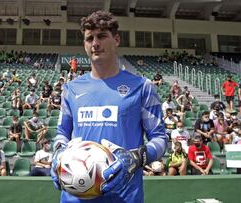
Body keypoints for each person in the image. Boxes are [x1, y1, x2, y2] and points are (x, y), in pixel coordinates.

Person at [50, 11, 167, 203]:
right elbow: (62, 133)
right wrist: (58, 153)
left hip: (124, 197)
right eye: (89, 38)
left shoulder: (142, 87)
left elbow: (160, 139)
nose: (95, 43)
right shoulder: (70, 89)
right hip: (75, 197)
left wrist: (137, 158)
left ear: (117, 39)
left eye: (102, 36)